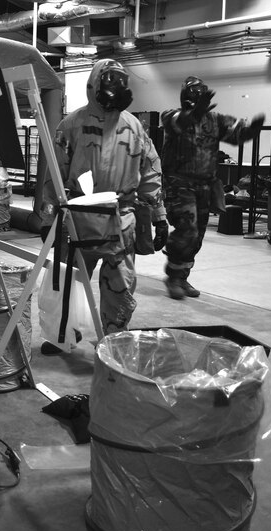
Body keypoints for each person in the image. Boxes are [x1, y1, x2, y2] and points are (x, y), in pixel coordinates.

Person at [40, 58, 168, 347]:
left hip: (121, 223)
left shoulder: (134, 128)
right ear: (94, 85)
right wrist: (49, 218)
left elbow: (151, 170)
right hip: (79, 221)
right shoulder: (72, 125)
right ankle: (63, 337)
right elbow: (55, 175)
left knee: (120, 287)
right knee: (67, 283)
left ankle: (114, 342)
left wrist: (159, 215)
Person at [160, 76, 264, 300]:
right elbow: (178, 123)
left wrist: (251, 131)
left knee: (197, 236)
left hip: (205, 186)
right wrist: (195, 113)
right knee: (187, 231)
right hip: (179, 184)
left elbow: (235, 135)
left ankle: (182, 276)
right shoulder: (170, 115)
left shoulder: (215, 120)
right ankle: (173, 276)